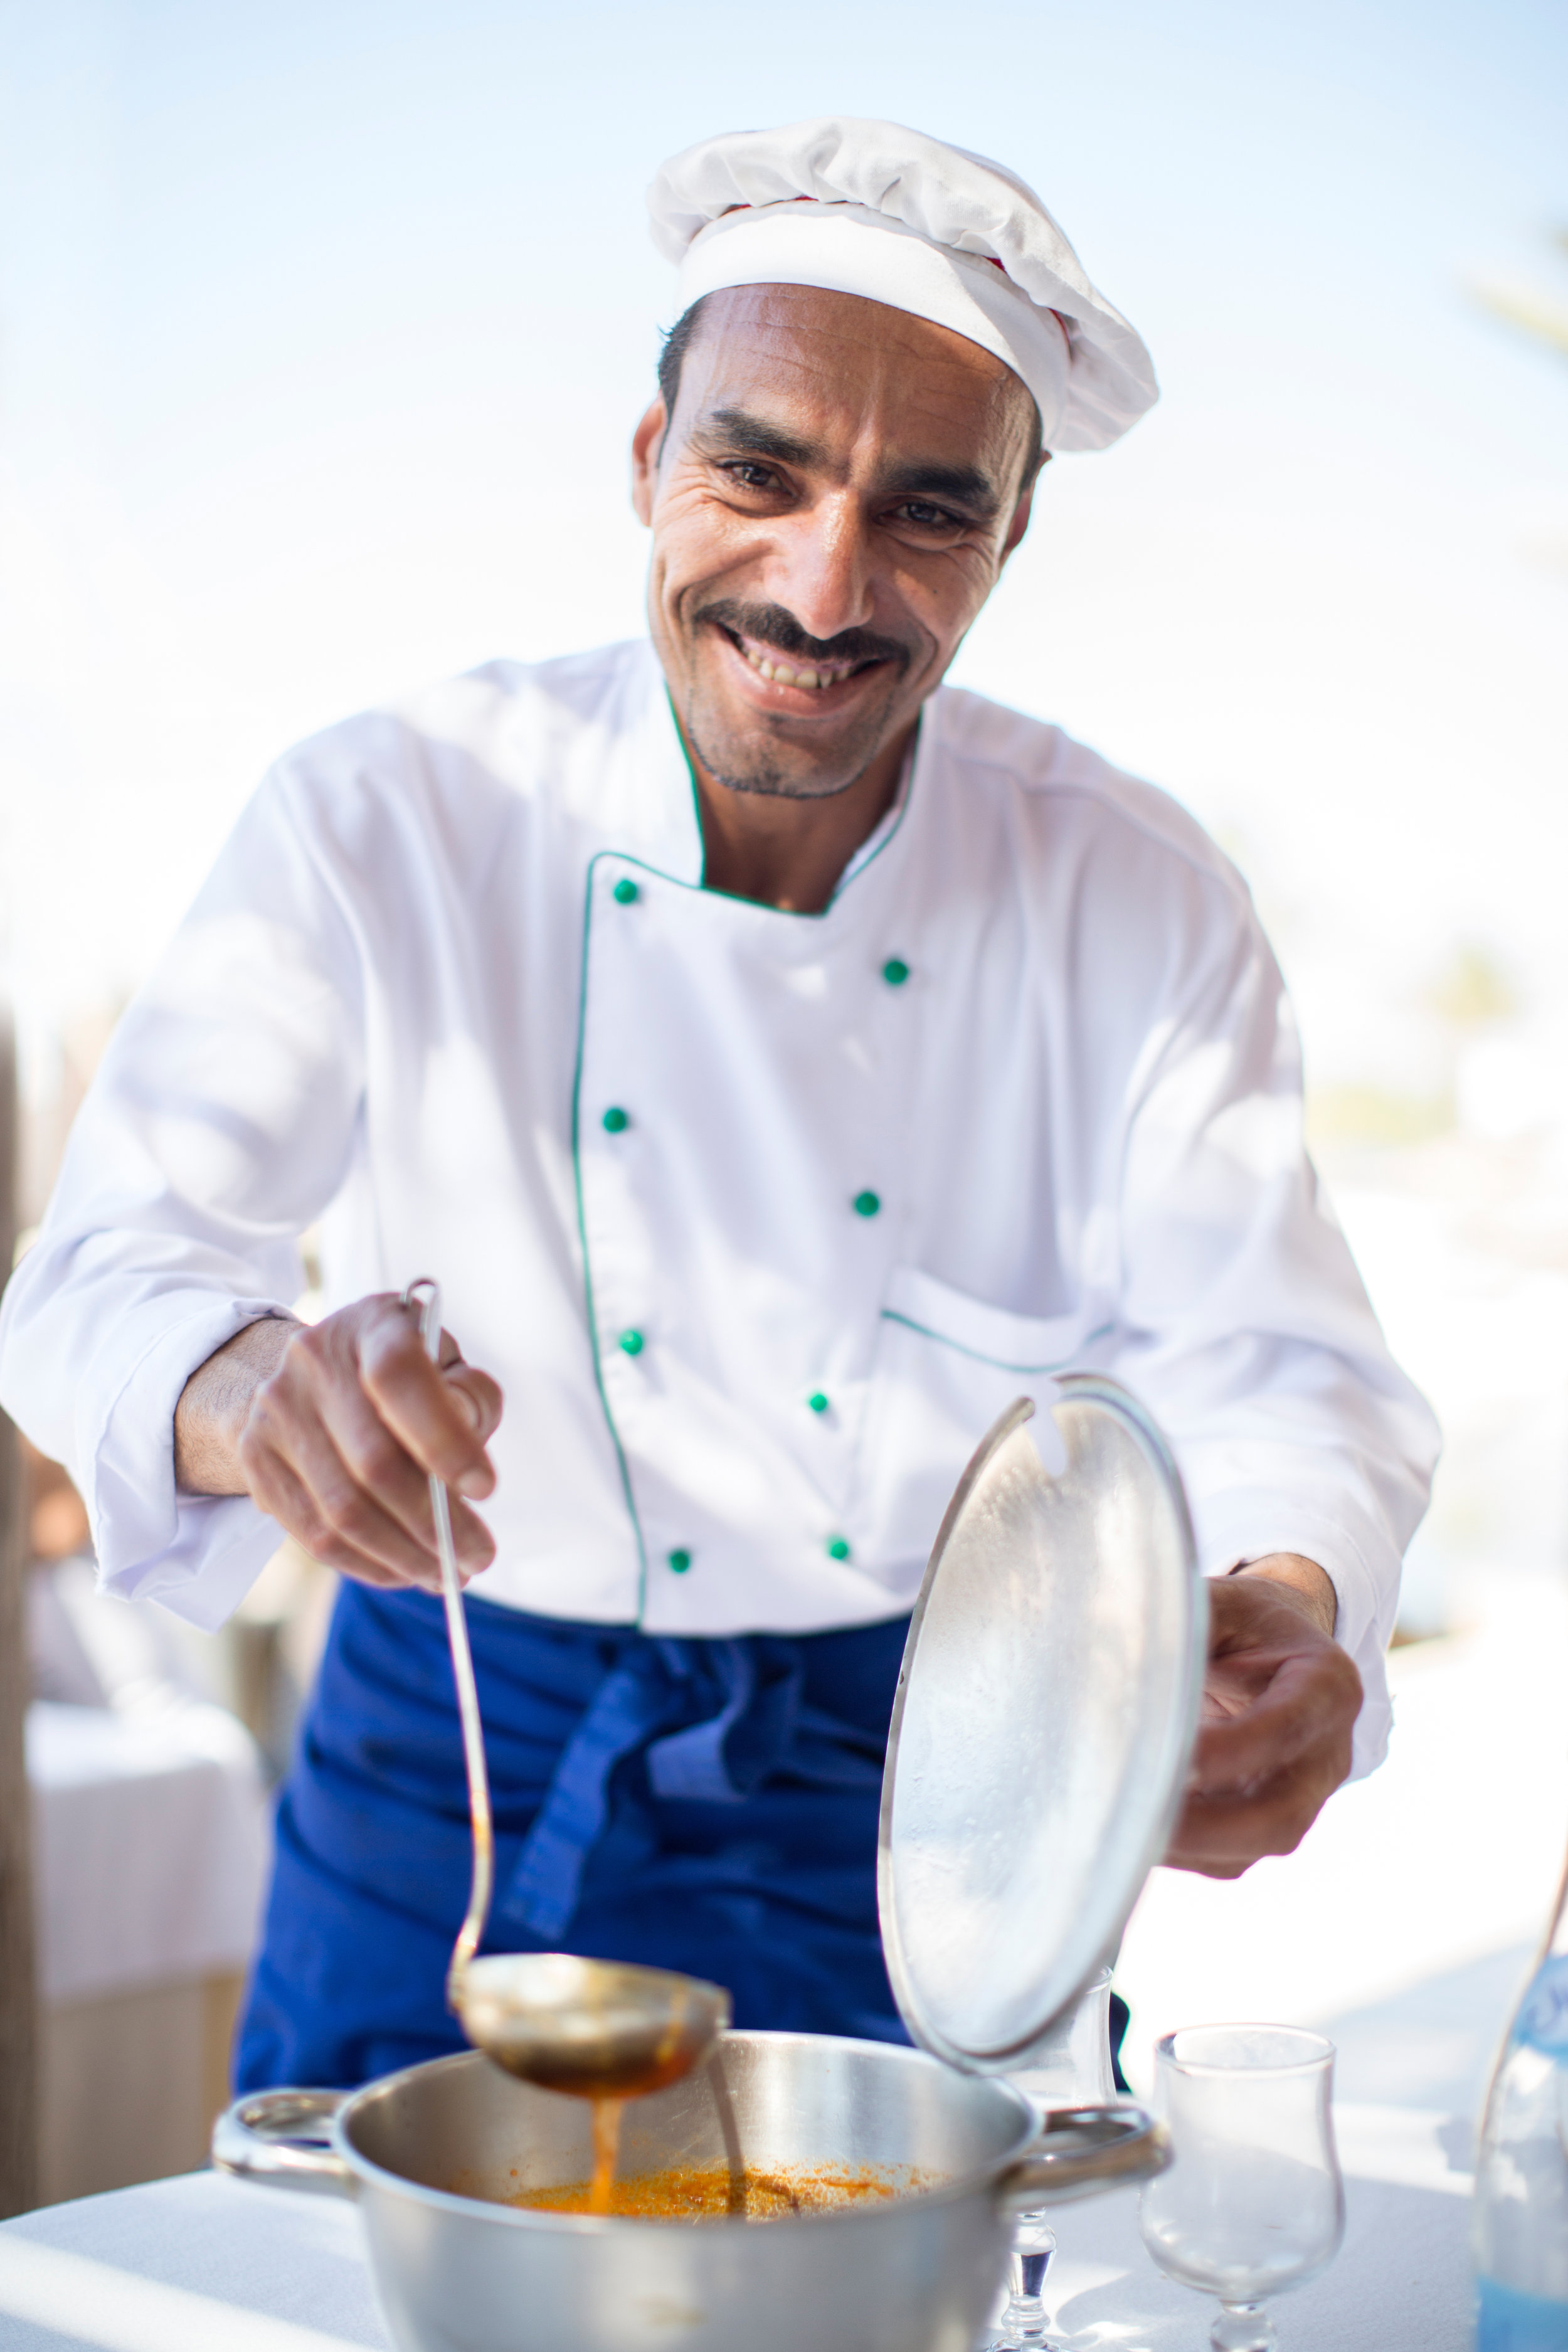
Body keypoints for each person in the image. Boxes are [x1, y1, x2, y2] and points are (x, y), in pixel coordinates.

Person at [0, 117, 1438, 2094]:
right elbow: (95, 1276)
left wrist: (1282, 1599)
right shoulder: (390, 812)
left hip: (933, 1780)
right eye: (756, 471)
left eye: (928, 512)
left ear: (1011, 538)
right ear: (646, 462)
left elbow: (1278, 1366)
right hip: (456, 1755)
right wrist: (249, 1390)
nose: (823, 584)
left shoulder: (1134, 895)